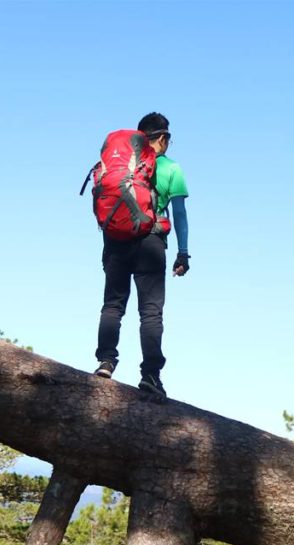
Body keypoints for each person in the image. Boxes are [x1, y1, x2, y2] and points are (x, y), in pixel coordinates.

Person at [94, 111, 190, 398]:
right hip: (151, 242)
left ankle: (106, 361)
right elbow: (181, 215)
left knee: (112, 305)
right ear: (162, 139)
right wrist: (183, 253)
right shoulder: (171, 169)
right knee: (150, 312)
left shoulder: (119, 162)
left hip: (116, 240)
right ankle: (150, 375)